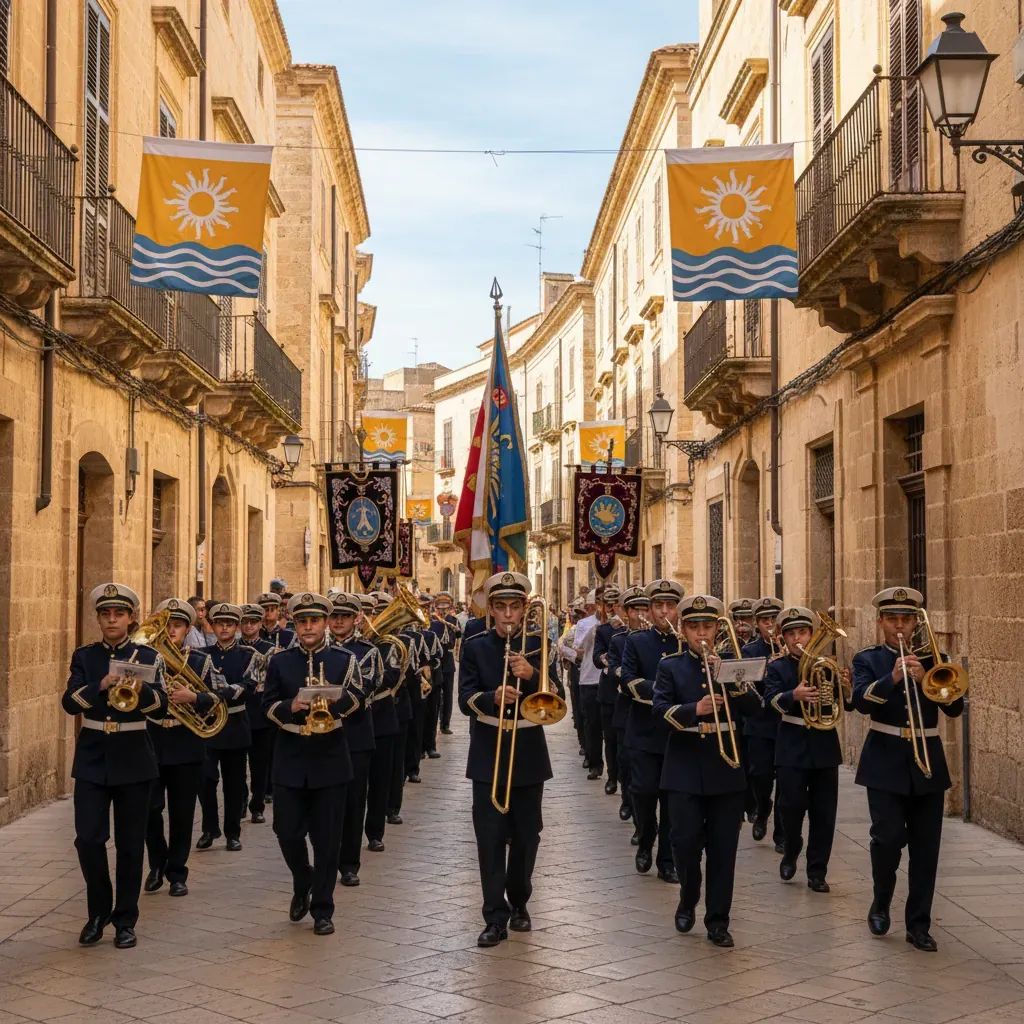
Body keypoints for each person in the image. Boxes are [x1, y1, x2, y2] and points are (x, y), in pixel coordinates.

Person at [852, 587, 964, 952]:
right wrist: (894, 678)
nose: (900, 626)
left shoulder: (935, 658)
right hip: (884, 760)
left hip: (928, 762)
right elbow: (860, 702)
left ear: (916, 622)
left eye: (907, 619)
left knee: (926, 847)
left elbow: (954, 709)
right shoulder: (867, 659)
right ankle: (881, 901)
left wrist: (922, 678)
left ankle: (919, 924)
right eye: (893, 619)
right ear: (881, 621)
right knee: (886, 839)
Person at [653, 594, 763, 947]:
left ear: (717, 628)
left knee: (723, 849)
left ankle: (718, 920)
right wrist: (693, 708)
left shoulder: (732, 663)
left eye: (708, 626)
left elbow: (756, 710)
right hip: (684, 765)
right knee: (684, 843)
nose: (702, 634)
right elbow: (660, 712)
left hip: (725, 768)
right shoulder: (670, 666)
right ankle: (688, 895)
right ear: (683, 630)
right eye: (694, 627)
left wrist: (732, 682)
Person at [62, 583, 167, 949]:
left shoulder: (148, 656)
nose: (111, 619)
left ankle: (125, 919)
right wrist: (102, 683)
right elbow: (70, 703)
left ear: (130, 617)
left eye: (118, 614)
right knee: (88, 839)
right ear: (98, 618)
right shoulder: (85, 656)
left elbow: (163, 707)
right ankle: (98, 911)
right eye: (105, 614)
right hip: (92, 756)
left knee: (130, 845)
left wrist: (141, 691)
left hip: (134, 755)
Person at [459, 571, 556, 948]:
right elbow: (464, 697)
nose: (508, 615)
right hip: (488, 749)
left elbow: (556, 694)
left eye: (515, 607)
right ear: (492, 610)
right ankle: (493, 917)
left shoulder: (537, 644)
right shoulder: (476, 645)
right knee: (489, 837)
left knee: (528, 836)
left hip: (529, 751)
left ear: (524, 609)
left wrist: (532, 675)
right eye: (501, 607)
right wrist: (491, 697)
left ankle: (519, 900)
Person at [263, 592, 365, 935]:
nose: (308, 627)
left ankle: (323, 908)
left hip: (331, 755)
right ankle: (302, 877)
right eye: (302, 621)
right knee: (286, 831)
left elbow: (359, 700)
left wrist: (331, 700)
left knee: (327, 838)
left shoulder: (344, 659)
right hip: (291, 754)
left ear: (324, 624)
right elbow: (266, 706)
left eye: (315, 621)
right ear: (295, 624)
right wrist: (289, 706)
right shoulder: (280, 661)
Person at [765, 606, 851, 893]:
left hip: (824, 745)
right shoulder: (777, 667)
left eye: (802, 632)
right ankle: (791, 849)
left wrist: (845, 687)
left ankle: (817, 871)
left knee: (824, 813)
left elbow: (845, 705)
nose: (797, 638)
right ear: (784, 638)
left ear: (812, 634)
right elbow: (771, 702)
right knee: (790, 808)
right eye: (791, 634)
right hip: (791, 745)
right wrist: (794, 694)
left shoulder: (827, 664)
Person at [145, 598, 224, 899]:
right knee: (150, 809)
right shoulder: (145, 658)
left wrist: (194, 699)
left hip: (187, 744)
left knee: (181, 813)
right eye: (167, 624)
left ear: (188, 628)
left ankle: (177, 872)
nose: (171, 630)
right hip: (152, 742)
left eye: (177, 625)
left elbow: (218, 697)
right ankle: (156, 863)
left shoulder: (202, 661)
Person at [620, 579, 683, 883]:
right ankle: (645, 839)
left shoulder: (687, 642)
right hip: (644, 733)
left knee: (673, 801)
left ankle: (667, 860)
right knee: (643, 794)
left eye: (670, 606)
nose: (663, 612)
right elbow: (628, 682)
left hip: (676, 734)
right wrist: (663, 690)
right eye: (658, 606)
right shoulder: (637, 641)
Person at [328, 591, 381, 888]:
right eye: (334, 616)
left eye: (344, 616)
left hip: (356, 733)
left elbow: (366, 689)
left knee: (353, 801)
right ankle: (326, 856)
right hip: (323, 735)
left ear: (356, 619)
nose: (338, 621)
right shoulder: (314, 650)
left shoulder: (368, 652)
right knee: (324, 801)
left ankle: (348, 863)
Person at [196, 603, 257, 852]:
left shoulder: (248, 655)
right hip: (208, 725)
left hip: (234, 724)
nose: (224, 628)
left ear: (236, 627)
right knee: (206, 780)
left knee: (234, 783)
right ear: (213, 625)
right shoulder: (201, 654)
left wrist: (222, 692)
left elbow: (249, 685)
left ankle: (233, 832)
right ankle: (209, 829)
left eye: (229, 624)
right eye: (219, 623)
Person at [741, 596, 785, 850]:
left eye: (773, 620)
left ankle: (781, 833)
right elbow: (750, 688)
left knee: (787, 783)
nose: (769, 625)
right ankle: (762, 808)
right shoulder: (750, 651)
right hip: (759, 722)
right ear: (757, 623)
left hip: (784, 723)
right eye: (764, 620)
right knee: (760, 775)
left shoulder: (790, 648)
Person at [361, 593, 403, 852]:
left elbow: (391, 676)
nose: (367, 618)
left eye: (371, 612)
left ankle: (375, 832)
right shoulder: (345, 647)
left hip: (382, 716)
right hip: (354, 720)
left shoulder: (390, 645)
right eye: (362, 614)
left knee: (379, 780)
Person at [612, 586, 649, 828]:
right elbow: (615, 667)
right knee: (626, 761)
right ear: (627, 612)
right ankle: (628, 799)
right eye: (636, 609)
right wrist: (628, 674)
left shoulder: (657, 639)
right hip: (627, 704)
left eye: (645, 608)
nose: (641, 614)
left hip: (653, 707)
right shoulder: (618, 639)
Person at [238, 603, 276, 824]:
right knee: (238, 764)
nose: (249, 625)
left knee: (259, 764)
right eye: (245, 622)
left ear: (260, 624)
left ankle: (257, 804)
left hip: (260, 711)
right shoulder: (235, 648)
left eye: (253, 621)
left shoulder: (269, 648)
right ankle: (241, 800)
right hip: (240, 709)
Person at [593, 586, 625, 795]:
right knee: (611, 738)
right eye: (610, 604)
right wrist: (606, 659)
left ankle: (626, 780)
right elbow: (597, 658)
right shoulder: (604, 630)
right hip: (609, 692)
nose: (614, 608)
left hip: (628, 693)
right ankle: (612, 777)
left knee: (626, 741)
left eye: (617, 604)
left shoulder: (633, 632)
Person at [430, 592, 461, 738]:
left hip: (448, 660)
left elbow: (458, 638)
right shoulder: (431, 621)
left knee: (448, 694)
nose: (442, 610)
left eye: (445, 607)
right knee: (434, 694)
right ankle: (433, 722)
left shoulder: (453, 621)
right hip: (435, 661)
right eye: (440, 607)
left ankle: (445, 724)